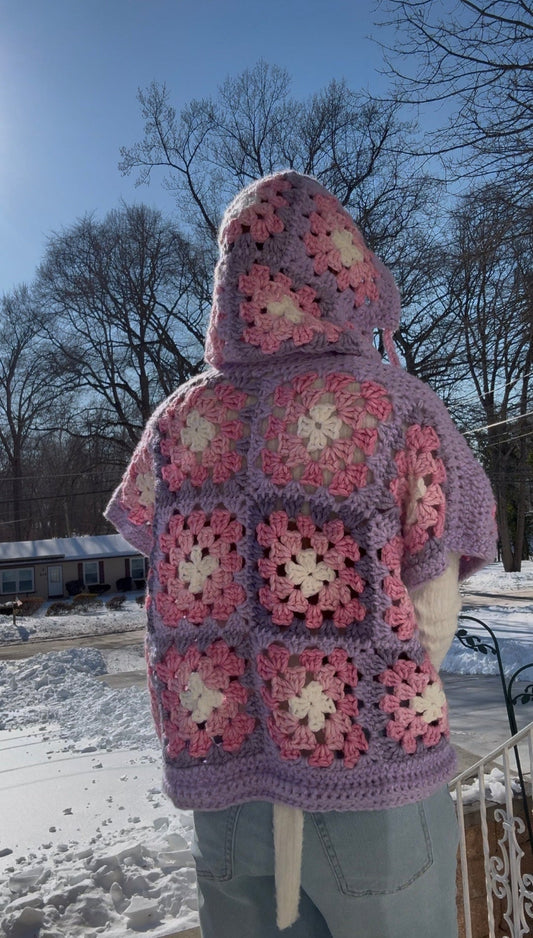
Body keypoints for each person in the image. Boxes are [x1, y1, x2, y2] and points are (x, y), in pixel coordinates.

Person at [105, 171, 497, 938]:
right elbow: (432, 610)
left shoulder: (179, 419)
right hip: (372, 783)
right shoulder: (392, 406)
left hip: (226, 789)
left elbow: (169, 584)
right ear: (348, 277)